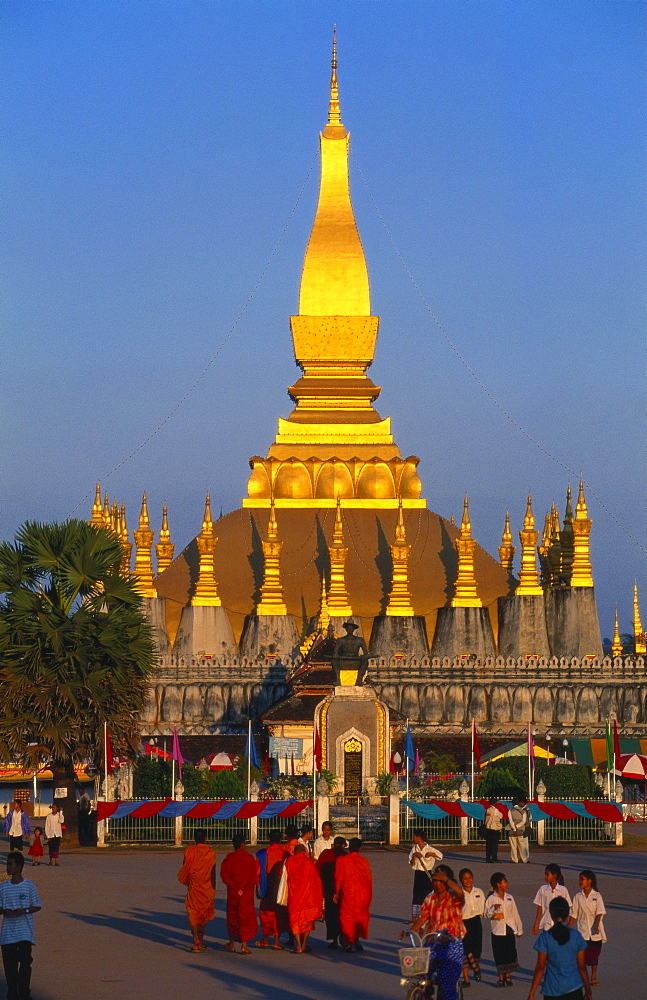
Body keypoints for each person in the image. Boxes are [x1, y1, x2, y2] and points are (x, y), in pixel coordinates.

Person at [406, 865, 465, 1000]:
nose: (438, 884)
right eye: (435, 880)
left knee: (446, 984)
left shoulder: (454, 898)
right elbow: (423, 918)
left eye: (441, 880)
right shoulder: (430, 899)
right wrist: (411, 930)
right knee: (422, 971)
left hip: (451, 944)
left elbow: (461, 893)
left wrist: (446, 879)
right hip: (432, 942)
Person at [527, 896, 592, 1000]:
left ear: (552, 914)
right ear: (567, 914)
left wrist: (532, 993)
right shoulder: (576, 936)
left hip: (552, 989)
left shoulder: (545, 937)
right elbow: (582, 967)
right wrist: (588, 991)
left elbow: (540, 967)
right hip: (574, 987)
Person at [0, 852, 42, 1000]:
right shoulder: (3, 887)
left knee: (25, 964)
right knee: (10, 967)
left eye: (11, 864)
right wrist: (5, 910)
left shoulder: (29, 886)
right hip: (7, 934)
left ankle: (24, 992)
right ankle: (13, 992)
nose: (8, 867)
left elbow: (37, 906)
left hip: (24, 931)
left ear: (19, 867)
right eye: (7, 864)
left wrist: (23, 910)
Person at [177, 828, 216, 953]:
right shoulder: (210, 852)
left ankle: (195, 940)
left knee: (193, 913)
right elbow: (212, 872)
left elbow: (186, 867)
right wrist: (213, 888)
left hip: (194, 887)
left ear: (194, 839)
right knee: (203, 914)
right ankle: (201, 939)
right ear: (205, 838)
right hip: (207, 887)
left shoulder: (189, 851)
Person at [220, 834, 260, 954]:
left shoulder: (229, 858)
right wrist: (244, 888)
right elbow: (254, 877)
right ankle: (244, 945)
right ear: (243, 845)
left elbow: (225, 876)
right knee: (245, 918)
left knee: (233, 918)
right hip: (246, 893)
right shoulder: (249, 858)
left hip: (234, 893)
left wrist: (236, 888)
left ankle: (231, 944)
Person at [334, 837, 372, 953]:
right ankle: (356, 941)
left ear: (349, 847)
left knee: (348, 918)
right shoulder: (364, 861)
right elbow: (368, 878)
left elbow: (338, 877)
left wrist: (336, 891)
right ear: (360, 848)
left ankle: (351, 944)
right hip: (363, 894)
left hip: (349, 892)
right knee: (360, 917)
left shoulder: (342, 860)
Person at [485, 872, 523, 987]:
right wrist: (493, 908)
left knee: (509, 952)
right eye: (504, 882)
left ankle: (508, 975)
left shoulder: (509, 897)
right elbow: (486, 914)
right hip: (497, 930)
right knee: (499, 953)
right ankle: (500, 977)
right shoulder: (491, 898)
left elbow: (515, 914)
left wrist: (519, 929)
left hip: (509, 928)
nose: (507, 883)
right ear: (498, 884)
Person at [568, 870, 606, 987]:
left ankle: (593, 976)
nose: (580, 882)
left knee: (594, 955)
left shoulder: (597, 896)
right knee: (582, 957)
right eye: (580, 879)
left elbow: (600, 912)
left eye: (583, 879)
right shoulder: (577, 897)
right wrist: (567, 928)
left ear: (589, 881)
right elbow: (573, 914)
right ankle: (582, 978)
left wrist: (596, 924)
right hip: (583, 932)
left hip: (595, 932)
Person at [284, 843, 323, 953]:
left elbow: (283, 877)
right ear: (304, 852)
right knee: (307, 920)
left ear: (294, 852)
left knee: (294, 919)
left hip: (293, 895)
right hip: (307, 896)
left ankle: (298, 945)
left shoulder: (289, 861)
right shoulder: (308, 862)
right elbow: (316, 880)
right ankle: (304, 944)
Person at [256, 830, 288, 949]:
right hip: (280, 887)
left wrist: (259, 888)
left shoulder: (262, 854)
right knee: (278, 913)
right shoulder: (284, 853)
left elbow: (258, 873)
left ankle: (265, 939)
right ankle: (276, 941)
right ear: (280, 840)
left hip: (266, 886)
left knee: (265, 913)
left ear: (269, 839)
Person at [317, 836, 347, 949]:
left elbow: (319, 869)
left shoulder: (326, 854)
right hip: (343, 891)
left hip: (329, 889)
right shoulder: (345, 856)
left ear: (333, 845)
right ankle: (345, 938)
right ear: (344, 845)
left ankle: (334, 940)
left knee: (331, 915)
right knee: (342, 914)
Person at [408, 829, 443, 920]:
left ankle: (430, 916)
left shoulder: (429, 848)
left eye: (414, 836)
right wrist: (415, 856)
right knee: (416, 895)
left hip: (427, 873)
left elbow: (440, 856)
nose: (413, 838)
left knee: (428, 894)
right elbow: (411, 863)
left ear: (418, 837)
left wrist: (430, 854)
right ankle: (414, 918)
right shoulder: (414, 849)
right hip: (418, 873)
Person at [459, 867, 485, 986]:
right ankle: (467, 978)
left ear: (473, 879)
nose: (468, 881)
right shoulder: (458, 894)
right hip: (463, 923)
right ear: (461, 880)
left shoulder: (479, 892)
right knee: (465, 950)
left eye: (469, 878)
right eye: (465, 879)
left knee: (476, 949)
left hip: (476, 922)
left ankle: (475, 966)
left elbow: (485, 909)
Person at [533, 864, 572, 936]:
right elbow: (540, 907)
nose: (545, 877)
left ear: (554, 876)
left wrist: (567, 924)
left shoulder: (563, 890)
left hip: (560, 926)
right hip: (547, 924)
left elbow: (566, 908)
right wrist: (536, 924)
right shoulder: (543, 889)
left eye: (547, 875)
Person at [508, 796, 531, 864]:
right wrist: (518, 826)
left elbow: (510, 821)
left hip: (512, 830)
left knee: (513, 846)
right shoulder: (523, 811)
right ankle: (524, 859)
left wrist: (514, 829)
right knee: (522, 846)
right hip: (521, 830)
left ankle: (515, 859)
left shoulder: (510, 811)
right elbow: (523, 821)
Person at [484, 799, 503, 864]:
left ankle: (487, 858)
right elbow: (501, 816)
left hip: (488, 828)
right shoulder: (495, 810)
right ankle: (494, 858)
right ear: (495, 803)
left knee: (488, 844)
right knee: (494, 845)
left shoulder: (487, 810)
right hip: (494, 828)